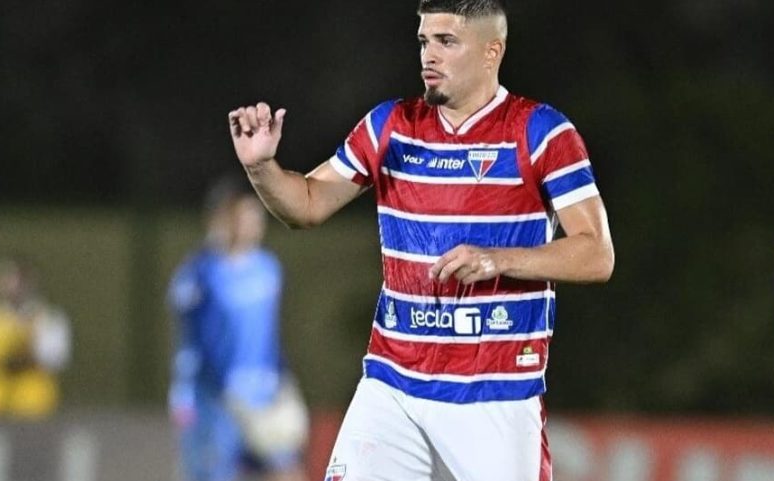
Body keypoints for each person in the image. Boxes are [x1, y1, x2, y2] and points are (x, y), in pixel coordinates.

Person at [228, 1, 614, 479]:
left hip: (495, 391)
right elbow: (306, 205)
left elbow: (597, 253)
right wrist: (261, 167)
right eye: (424, 41)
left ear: (492, 51)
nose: (428, 55)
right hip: (394, 384)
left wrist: (499, 259)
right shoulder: (390, 126)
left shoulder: (541, 132)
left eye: (446, 42)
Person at [168, 176, 309, 481]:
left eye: (256, 215)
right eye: (242, 215)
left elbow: (269, 336)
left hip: (262, 392)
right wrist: (184, 393)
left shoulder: (268, 269)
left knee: (286, 471)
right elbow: (189, 338)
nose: (252, 223)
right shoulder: (199, 273)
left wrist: (282, 378)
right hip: (218, 398)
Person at [0, 256, 71, 421]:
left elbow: (56, 359)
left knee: (35, 406)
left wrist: (22, 354)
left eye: (19, 280)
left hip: (32, 393)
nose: (13, 286)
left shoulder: (47, 318)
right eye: (6, 279)